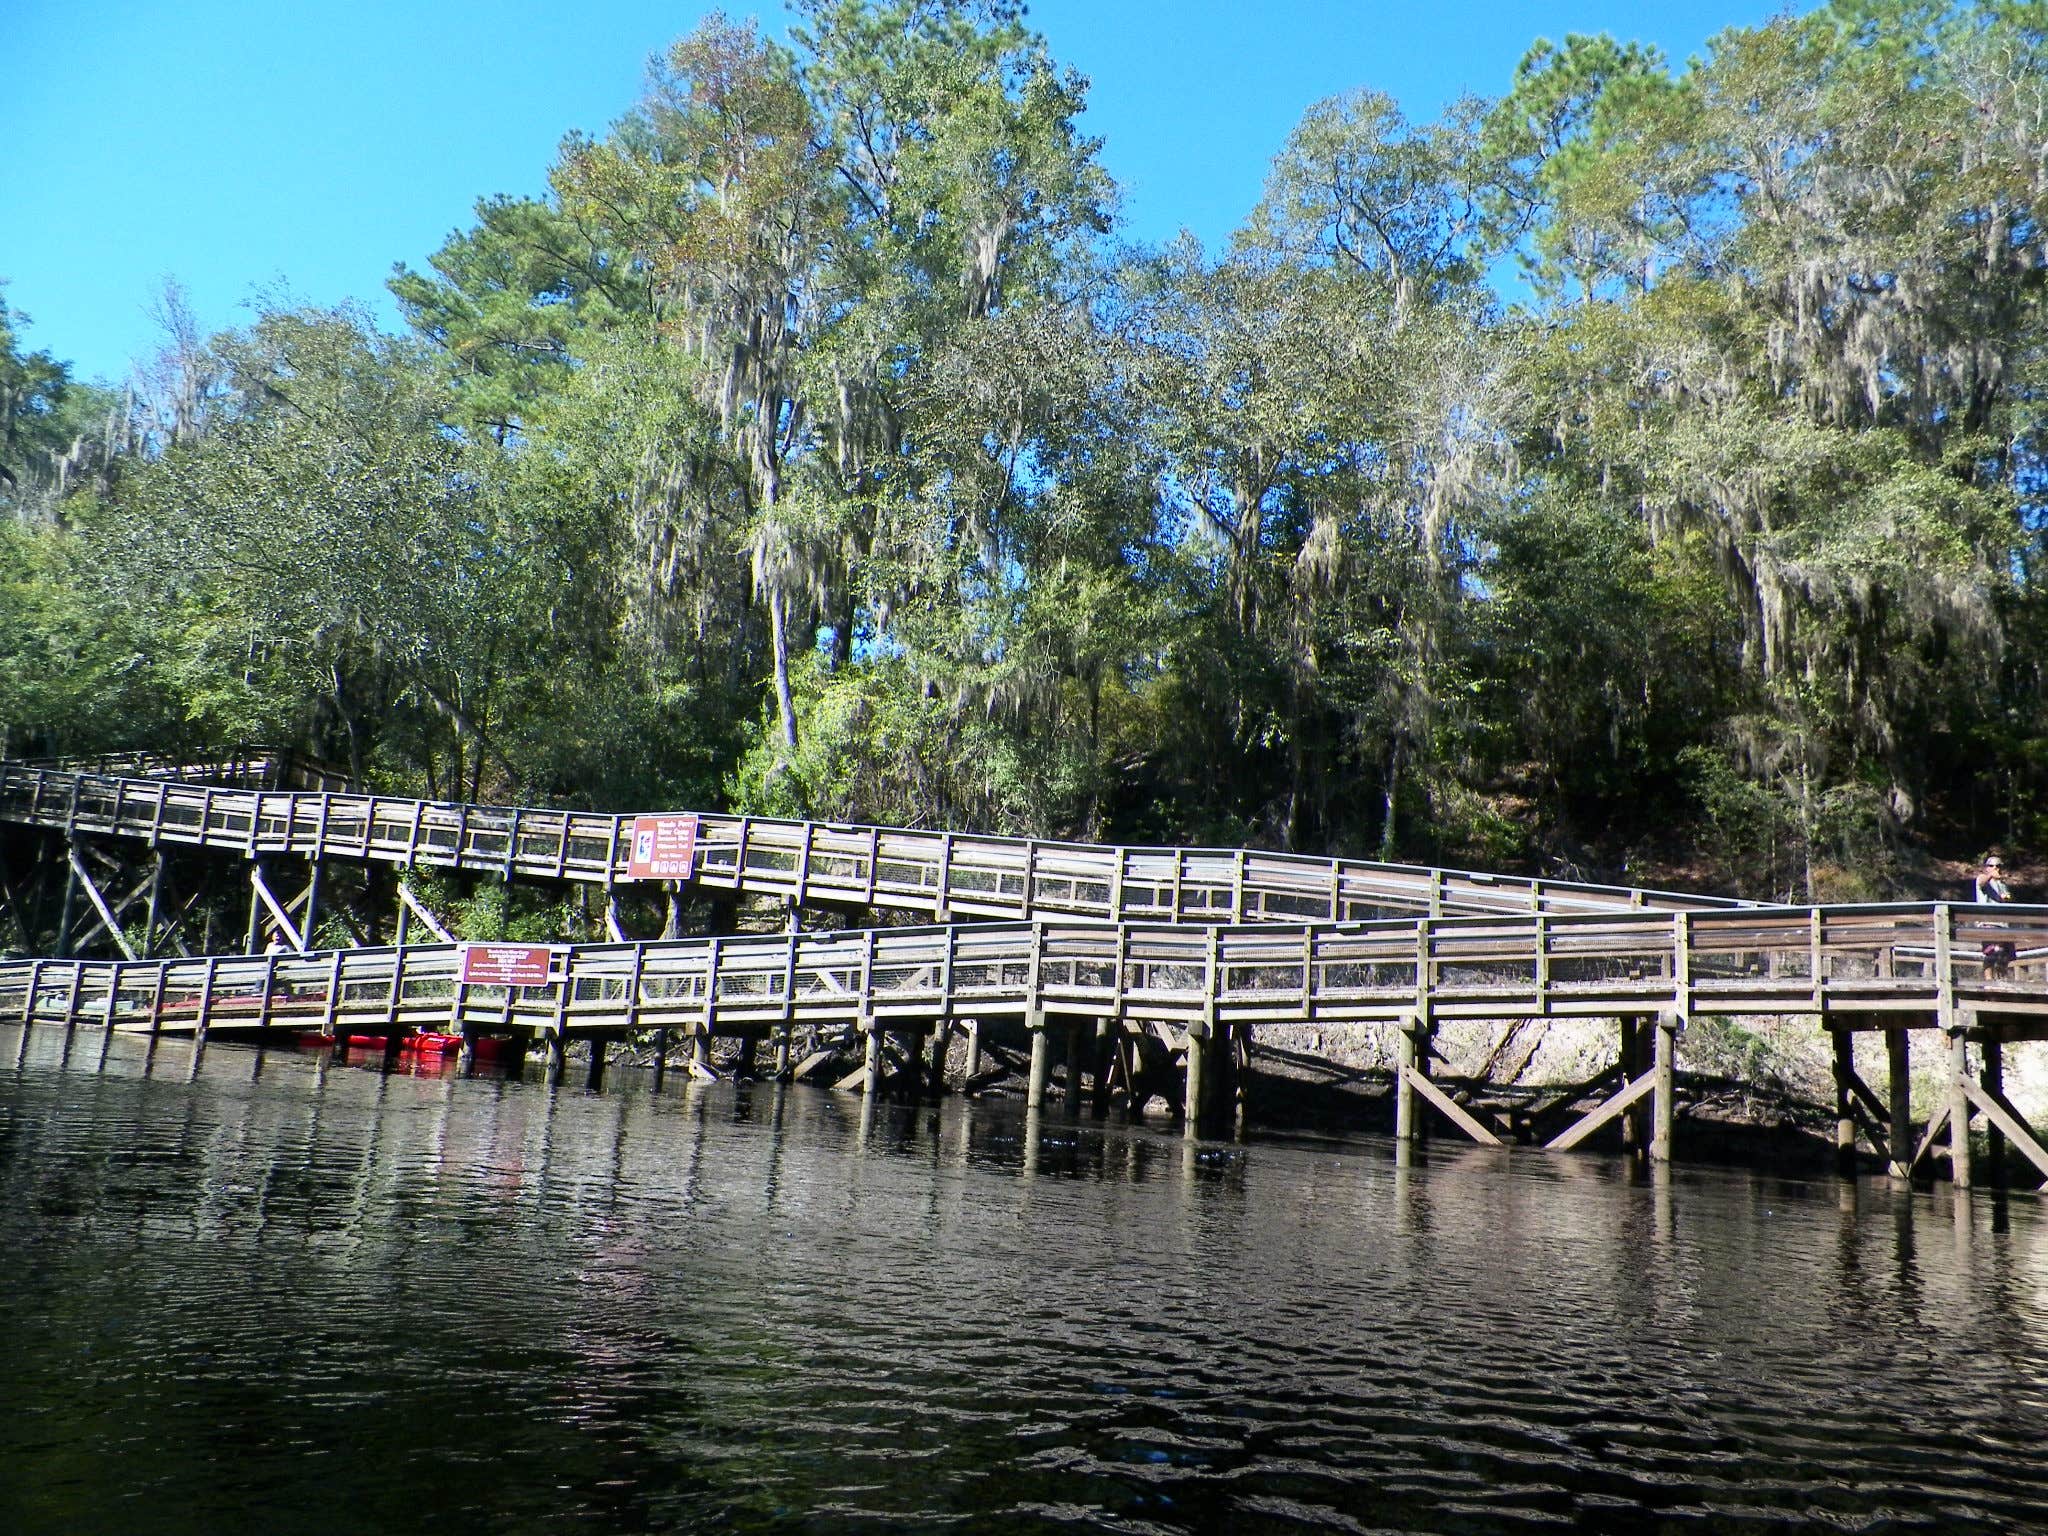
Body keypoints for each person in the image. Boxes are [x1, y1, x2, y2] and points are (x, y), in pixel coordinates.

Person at [1976, 853, 2016, 979]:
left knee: (2004, 955)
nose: (1995, 868)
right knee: (1991, 953)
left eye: (1998, 865)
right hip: (1988, 923)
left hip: (2003, 924)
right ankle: (1988, 983)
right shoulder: (1983, 879)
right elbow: (1981, 883)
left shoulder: (2003, 885)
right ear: (1986, 867)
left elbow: (2007, 900)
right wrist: (1990, 876)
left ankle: (2001, 982)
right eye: (1991, 865)